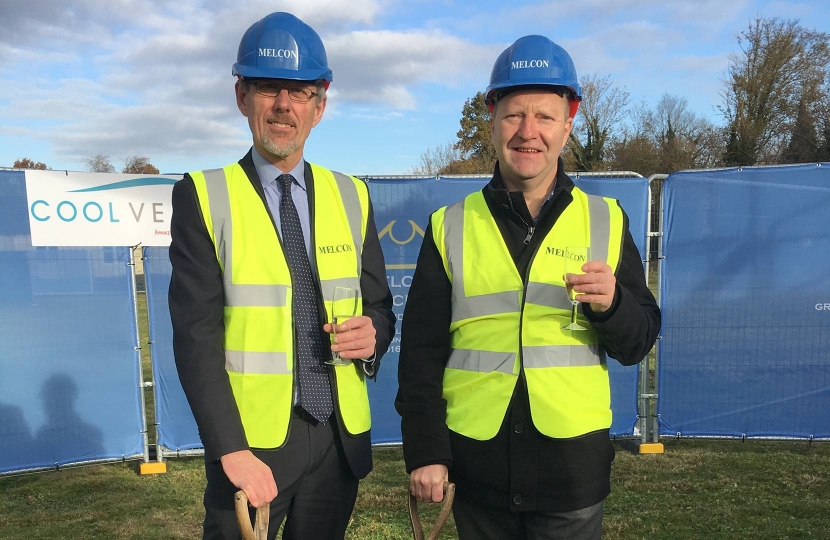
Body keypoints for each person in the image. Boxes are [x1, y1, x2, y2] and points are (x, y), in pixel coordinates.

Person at [396, 35, 661, 540]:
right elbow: (421, 355)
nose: (528, 132)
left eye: (544, 116)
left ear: (569, 119)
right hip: (477, 471)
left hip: (572, 474)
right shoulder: (449, 225)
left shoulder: (604, 220)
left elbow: (639, 340)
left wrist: (613, 306)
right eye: (514, 115)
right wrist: (427, 452)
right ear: (492, 119)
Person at [169, 12, 395, 540]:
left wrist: (374, 336)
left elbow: (380, 309)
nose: (283, 105)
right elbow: (195, 339)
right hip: (251, 448)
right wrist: (230, 449)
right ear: (241, 96)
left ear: (320, 105)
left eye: (299, 91)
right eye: (269, 87)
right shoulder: (204, 194)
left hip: (338, 442)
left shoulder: (352, 194)